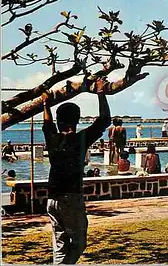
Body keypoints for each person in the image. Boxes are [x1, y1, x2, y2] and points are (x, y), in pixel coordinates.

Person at [41, 80, 110, 264]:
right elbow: (104, 120)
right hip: (70, 197)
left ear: (59, 121)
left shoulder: (53, 139)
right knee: (79, 244)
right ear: (77, 120)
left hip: (52, 199)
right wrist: (101, 93)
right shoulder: (80, 140)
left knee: (60, 243)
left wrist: (45, 103)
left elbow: (47, 124)